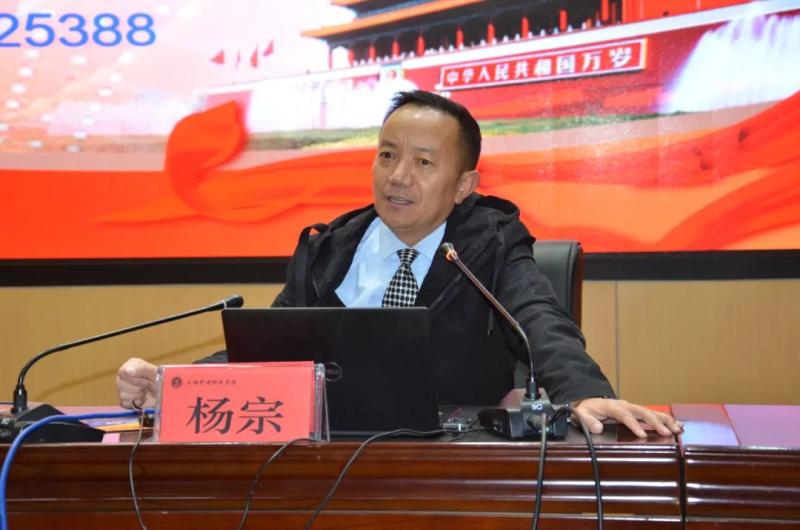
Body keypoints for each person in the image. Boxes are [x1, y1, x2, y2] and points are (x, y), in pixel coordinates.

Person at [118, 90, 681, 438]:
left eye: (424, 162)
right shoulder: (329, 250)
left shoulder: (490, 243)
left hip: (455, 460)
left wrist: (581, 391)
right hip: (328, 454)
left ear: (464, 186)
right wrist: (177, 385)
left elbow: (539, 318)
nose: (398, 176)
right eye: (387, 155)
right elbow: (270, 350)